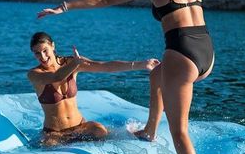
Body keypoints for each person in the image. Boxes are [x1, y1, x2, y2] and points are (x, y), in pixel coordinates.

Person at [37, 0, 214, 154]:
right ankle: (150, 131)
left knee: (179, 131)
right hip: (206, 53)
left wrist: (64, 7)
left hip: (182, 53)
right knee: (156, 74)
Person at [28, 31, 159, 146]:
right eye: (37, 53)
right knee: (49, 146)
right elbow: (56, 76)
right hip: (54, 134)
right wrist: (76, 63)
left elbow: (104, 66)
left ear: (53, 46)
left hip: (80, 127)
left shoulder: (72, 62)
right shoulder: (34, 74)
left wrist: (142, 64)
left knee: (100, 131)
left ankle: (139, 133)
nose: (43, 57)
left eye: (45, 50)